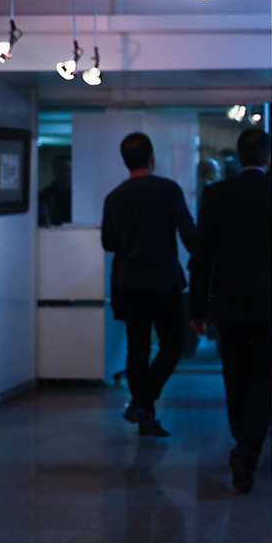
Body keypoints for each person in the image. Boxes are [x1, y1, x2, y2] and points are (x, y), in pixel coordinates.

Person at [190, 129, 272, 493]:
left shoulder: (217, 194)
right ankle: (246, 450)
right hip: (271, 302)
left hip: (228, 302)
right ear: (268, 157)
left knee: (234, 376)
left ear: (239, 157)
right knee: (266, 376)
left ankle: (244, 449)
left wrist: (197, 307)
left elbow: (202, 255)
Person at [102, 133, 196, 437]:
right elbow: (188, 232)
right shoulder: (168, 189)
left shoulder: (114, 197)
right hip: (162, 280)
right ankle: (143, 404)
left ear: (125, 161)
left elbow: (109, 243)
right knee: (173, 344)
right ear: (152, 158)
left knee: (137, 346)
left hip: (128, 282)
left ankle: (145, 413)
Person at [38, 154, 72, 226]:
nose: (64, 174)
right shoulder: (43, 196)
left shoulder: (77, 196)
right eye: (60, 170)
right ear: (54, 171)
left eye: (68, 170)